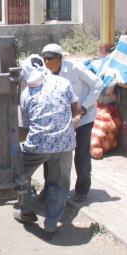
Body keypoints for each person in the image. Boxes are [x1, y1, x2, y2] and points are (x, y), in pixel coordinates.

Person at [15, 55, 81, 234]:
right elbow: (77, 109)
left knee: (19, 175)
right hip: (65, 144)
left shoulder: (26, 94)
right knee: (59, 184)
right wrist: (68, 128)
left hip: (38, 146)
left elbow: (28, 127)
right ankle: (51, 224)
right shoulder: (63, 82)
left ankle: (27, 211)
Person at [40, 44, 103, 202]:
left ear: (60, 59)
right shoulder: (43, 73)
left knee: (81, 154)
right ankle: (49, 187)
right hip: (60, 119)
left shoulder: (75, 68)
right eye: (45, 58)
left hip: (83, 117)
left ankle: (82, 189)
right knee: (50, 154)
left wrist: (84, 107)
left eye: (51, 58)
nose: (47, 62)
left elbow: (97, 84)